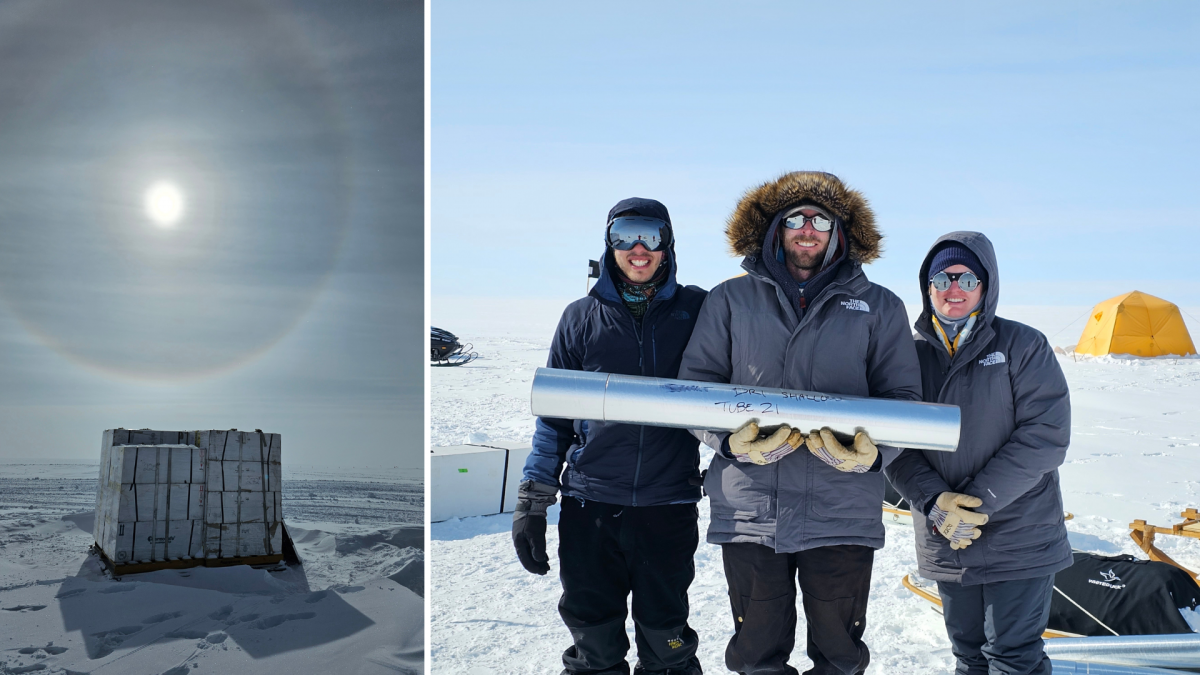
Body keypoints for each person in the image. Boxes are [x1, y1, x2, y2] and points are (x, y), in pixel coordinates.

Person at [677, 171, 922, 675]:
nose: (807, 229)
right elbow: (694, 389)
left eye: (821, 220)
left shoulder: (879, 307)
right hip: (751, 510)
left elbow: (904, 401)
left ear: (839, 232)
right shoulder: (729, 300)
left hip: (841, 512)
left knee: (839, 658)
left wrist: (874, 454)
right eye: (796, 219)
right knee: (756, 657)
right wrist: (730, 443)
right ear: (775, 228)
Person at [513, 198, 708, 675]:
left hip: (667, 508)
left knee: (668, 643)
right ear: (608, 243)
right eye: (624, 234)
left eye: (651, 235)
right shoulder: (580, 317)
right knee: (593, 645)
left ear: (668, 245)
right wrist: (533, 498)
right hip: (591, 509)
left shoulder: (698, 309)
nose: (638, 248)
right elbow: (554, 419)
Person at [884, 233, 1072, 675]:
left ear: (986, 286)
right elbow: (895, 445)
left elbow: (1045, 435)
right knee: (968, 658)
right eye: (942, 278)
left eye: (967, 278)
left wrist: (977, 503)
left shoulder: (1023, 345)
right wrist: (935, 502)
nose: (955, 288)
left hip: (1019, 534)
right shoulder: (906, 356)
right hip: (947, 534)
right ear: (926, 287)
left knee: (1014, 659)